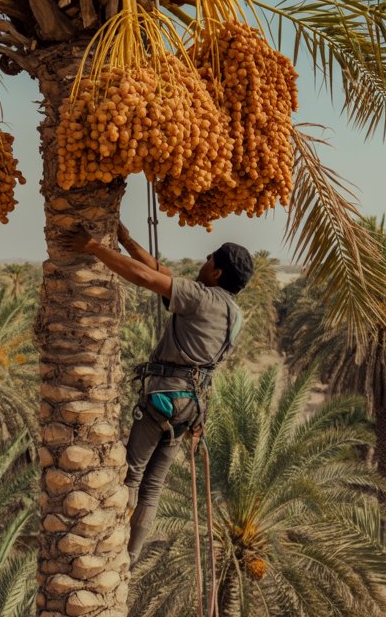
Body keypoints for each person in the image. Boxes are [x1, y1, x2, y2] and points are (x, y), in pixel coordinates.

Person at [60, 221, 253, 565]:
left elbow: (148, 280)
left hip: (165, 397)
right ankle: (131, 556)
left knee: (132, 472)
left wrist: (94, 248)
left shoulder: (200, 298)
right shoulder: (233, 313)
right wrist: (127, 239)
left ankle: (112, 545)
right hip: (191, 407)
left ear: (217, 272)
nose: (204, 260)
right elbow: (160, 272)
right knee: (154, 485)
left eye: (210, 259)